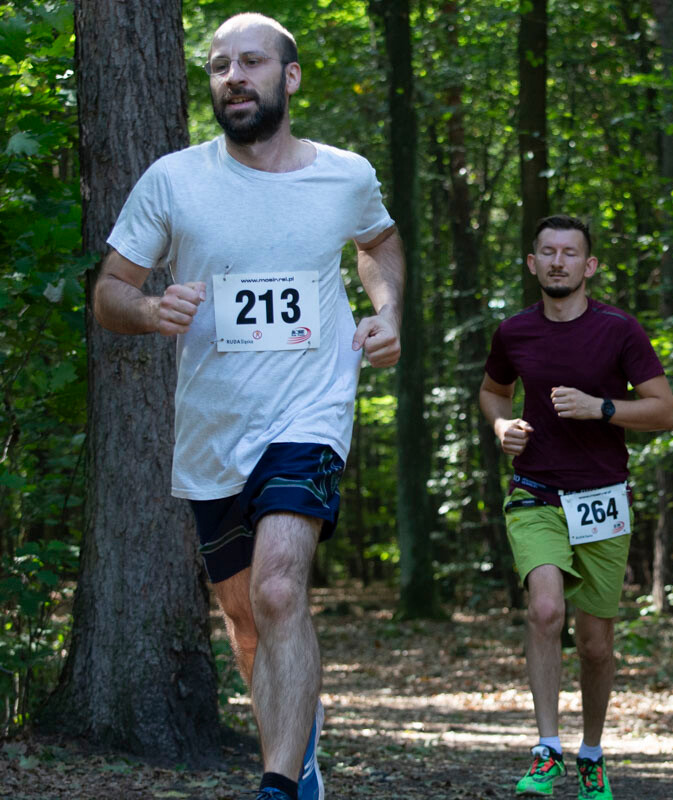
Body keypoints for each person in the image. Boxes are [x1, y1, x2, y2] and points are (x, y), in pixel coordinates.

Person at [92, 13, 404, 800]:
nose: (234, 75)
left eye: (252, 62)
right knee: (244, 617)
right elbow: (110, 291)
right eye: (220, 64)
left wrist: (388, 312)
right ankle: (300, 747)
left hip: (309, 414)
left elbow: (379, 243)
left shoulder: (345, 174)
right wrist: (149, 309)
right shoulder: (174, 180)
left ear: (288, 77)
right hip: (214, 428)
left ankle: (278, 786)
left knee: (278, 589)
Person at [479, 215, 673, 799]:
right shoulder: (514, 331)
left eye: (570, 253)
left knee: (596, 645)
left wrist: (603, 408)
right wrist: (502, 427)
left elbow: (665, 410)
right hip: (535, 492)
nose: (558, 262)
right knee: (545, 610)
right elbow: (493, 391)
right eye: (548, 252)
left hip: (601, 498)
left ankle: (591, 751)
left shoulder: (619, 330)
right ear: (532, 263)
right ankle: (547, 749)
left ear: (589, 266)